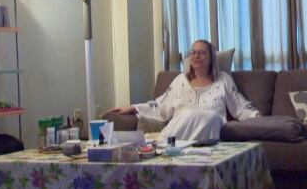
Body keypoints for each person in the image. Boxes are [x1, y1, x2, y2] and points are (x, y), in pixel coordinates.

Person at [106, 40, 260, 141]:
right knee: (187, 114)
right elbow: (161, 107)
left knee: (211, 117)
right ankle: (169, 144)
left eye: (201, 52)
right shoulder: (180, 80)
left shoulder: (224, 80)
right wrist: (132, 108)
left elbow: (239, 105)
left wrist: (256, 116)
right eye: (193, 52)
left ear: (211, 57)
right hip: (177, 132)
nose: (196, 56)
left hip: (210, 130)